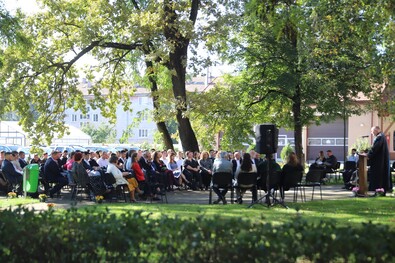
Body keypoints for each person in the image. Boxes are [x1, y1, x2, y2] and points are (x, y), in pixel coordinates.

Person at [367, 126, 392, 193]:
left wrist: (368, 155)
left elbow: (375, 148)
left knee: (378, 175)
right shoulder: (382, 137)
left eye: (372, 131)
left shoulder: (380, 137)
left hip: (379, 161)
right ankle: (381, 188)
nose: (372, 133)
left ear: (376, 130)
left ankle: (377, 188)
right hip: (381, 160)